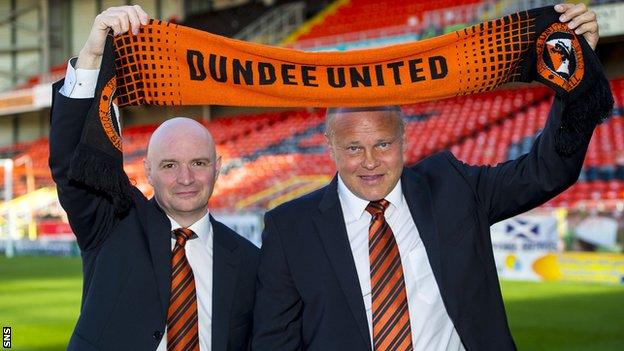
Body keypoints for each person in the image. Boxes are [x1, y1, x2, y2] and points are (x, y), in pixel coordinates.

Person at [252, 3, 601, 351]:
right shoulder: (289, 228)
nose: (370, 162)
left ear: (404, 138)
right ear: (330, 146)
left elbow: (547, 172)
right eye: (353, 148)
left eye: (384, 144)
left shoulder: (452, 186)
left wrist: (574, 72)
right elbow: (274, 342)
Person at [49, 5, 259, 351]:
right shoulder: (112, 223)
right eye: (169, 165)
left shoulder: (250, 261)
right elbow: (71, 165)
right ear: (147, 170)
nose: (186, 178)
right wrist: (93, 54)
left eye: (199, 163)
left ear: (218, 167)